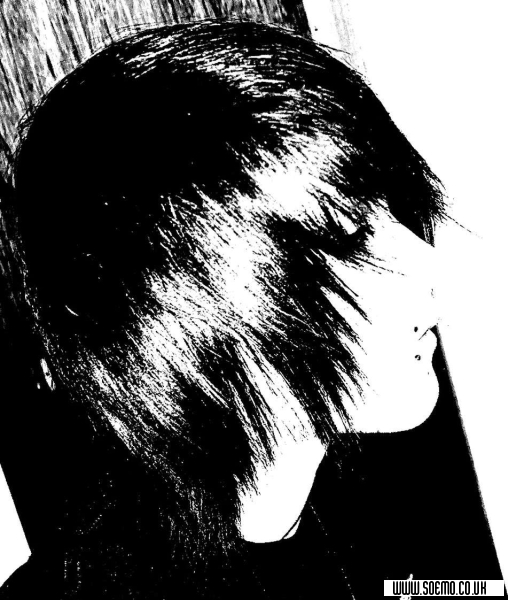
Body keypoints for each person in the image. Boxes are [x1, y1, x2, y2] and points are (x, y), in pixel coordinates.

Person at [1, 20, 445, 599]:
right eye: (351, 232)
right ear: (187, 303)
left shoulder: (388, 511)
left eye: (395, 211)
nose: (427, 265)